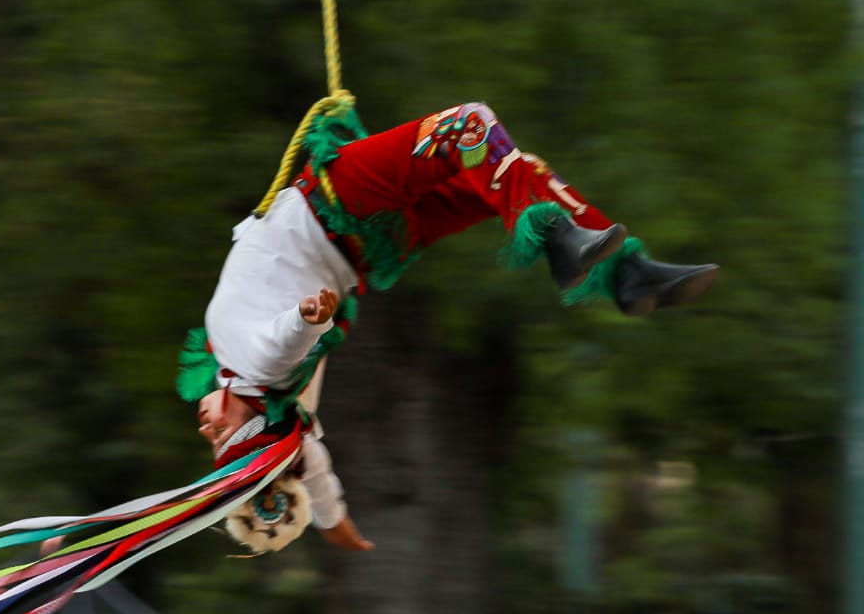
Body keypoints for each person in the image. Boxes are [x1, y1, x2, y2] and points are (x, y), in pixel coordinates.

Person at [178, 102, 718, 555]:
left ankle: (627, 275)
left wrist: (333, 522)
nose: (207, 429)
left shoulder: (284, 410)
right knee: (470, 128)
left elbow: (312, 466)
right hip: (336, 202)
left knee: (512, 167)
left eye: (211, 441)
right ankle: (577, 248)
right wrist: (306, 319)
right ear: (255, 423)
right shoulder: (256, 363)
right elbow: (281, 342)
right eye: (223, 436)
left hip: (373, 243)